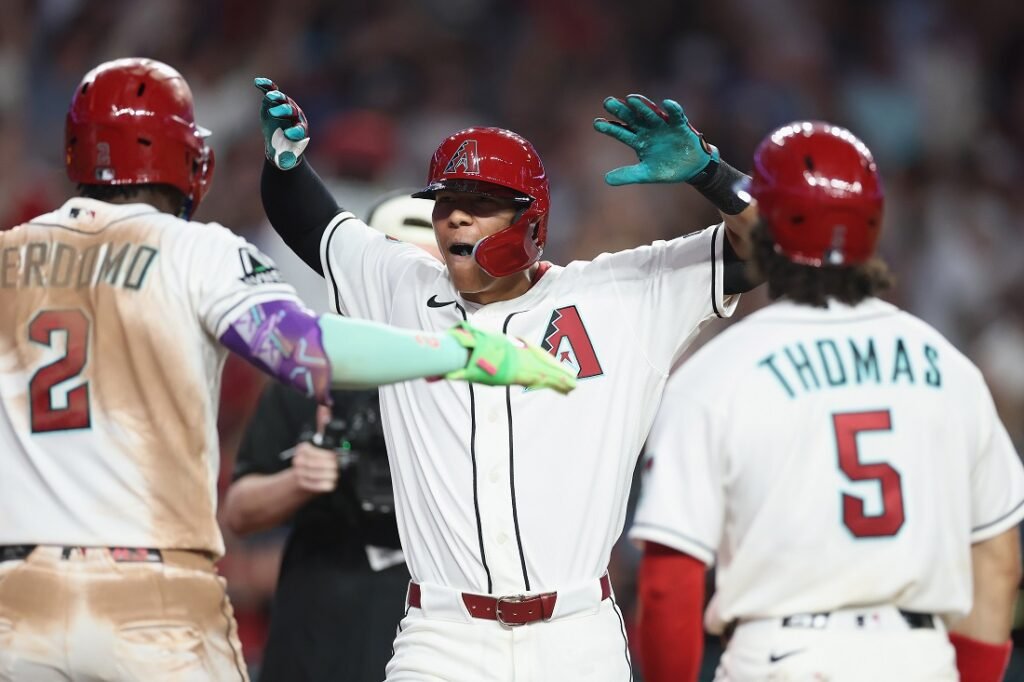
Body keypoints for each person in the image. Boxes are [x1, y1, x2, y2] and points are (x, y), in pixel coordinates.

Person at [0, 58, 574, 682]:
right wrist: (457, 351)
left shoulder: (7, 257)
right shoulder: (200, 252)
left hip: (17, 600)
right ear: (187, 158)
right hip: (151, 599)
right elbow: (306, 351)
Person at [254, 77, 761, 681]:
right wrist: (284, 165)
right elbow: (308, 220)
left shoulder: (619, 294)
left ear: (534, 221)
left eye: (482, 201)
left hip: (577, 637)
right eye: (445, 202)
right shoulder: (402, 285)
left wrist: (712, 175)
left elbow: (770, 246)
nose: (457, 217)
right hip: (443, 638)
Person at [629, 121, 1024, 682]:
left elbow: (669, 584)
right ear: (873, 224)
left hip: (783, 657)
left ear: (763, 228)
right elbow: (999, 561)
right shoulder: (952, 369)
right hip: (920, 657)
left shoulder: (715, 376)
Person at [222, 193, 438, 681]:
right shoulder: (310, 377)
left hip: (430, 627)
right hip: (318, 623)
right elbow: (239, 511)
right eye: (396, 275)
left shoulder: (473, 391)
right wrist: (298, 481)